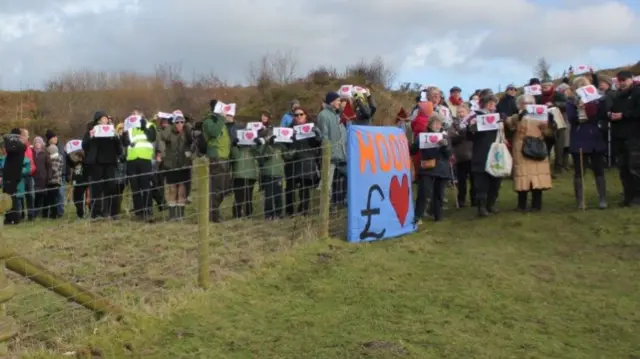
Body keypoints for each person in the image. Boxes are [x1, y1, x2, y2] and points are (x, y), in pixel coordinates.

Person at [565, 76, 609, 209]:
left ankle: (602, 199)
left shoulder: (598, 101)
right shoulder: (571, 102)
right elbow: (573, 119)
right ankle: (580, 201)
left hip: (595, 137)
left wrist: (595, 105)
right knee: (580, 171)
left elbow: (602, 114)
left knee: (599, 170)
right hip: (579, 138)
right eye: (580, 86)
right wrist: (581, 109)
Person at [504, 95, 553, 212]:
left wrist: (550, 123)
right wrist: (519, 117)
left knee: (538, 176)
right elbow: (509, 125)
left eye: (530, 102)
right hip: (521, 148)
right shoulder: (516, 117)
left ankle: (536, 204)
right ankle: (521, 205)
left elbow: (549, 134)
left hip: (537, 146)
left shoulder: (540, 116)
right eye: (524, 103)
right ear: (519, 105)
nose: (527, 105)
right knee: (522, 176)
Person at [411, 113, 452, 224]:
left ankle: (438, 216)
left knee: (439, 193)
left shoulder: (445, 136)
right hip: (427, 167)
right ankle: (417, 216)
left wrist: (445, 146)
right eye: (435, 123)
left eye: (439, 123)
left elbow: (449, 155)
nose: (437, 125)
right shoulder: (422, 136)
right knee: (424, 192)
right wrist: (416, 143)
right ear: (430, 124)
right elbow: (413, 151)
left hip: (441, 168)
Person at [82, 111, 123, 219]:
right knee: (96, 189)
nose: (106, 120)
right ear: (98, 120)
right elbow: (84, 146)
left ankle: (112, 212)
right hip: (96, 164)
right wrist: (90, 136)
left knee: (111, 188)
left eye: (107, 118)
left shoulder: (112, 132)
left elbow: (119, 150)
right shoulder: (91, 131)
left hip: (110, 164)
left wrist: (116, 137)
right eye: (104, 118)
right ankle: (96, 213)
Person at [467, 94, 503, 217]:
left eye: (493, 103)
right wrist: (472, 127)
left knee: (496, 179)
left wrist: (503, 122)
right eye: (489, 102)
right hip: (481, 151)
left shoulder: (498, 116)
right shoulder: (477, 116)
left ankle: (491, 204)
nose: (492, 105)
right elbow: (469, 136)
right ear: (483, 103)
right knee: (481, 180)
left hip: (496, 150)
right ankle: (481, 206)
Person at [608, 70, 640, 206]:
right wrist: (610, 115)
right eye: (619, 80)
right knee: (623, 168)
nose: (621, 83)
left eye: (624, 80)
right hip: (619, 135)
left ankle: (638, 197)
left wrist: (624, 115)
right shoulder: (617, 96)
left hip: (634, 136)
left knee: (635, 167)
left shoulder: (637, 93)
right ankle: (628, 196)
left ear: (631, 79)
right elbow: (610, 110)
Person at [285, 107, 323, 216]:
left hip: (307, 162)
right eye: (296, 115)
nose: (299, 117)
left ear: (305, 115)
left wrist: (316, 135)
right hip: (292, 162)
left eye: (301, 114)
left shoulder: (312, 128)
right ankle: (289, 212)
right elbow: (285, 145)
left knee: (304, 189)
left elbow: (318, 144)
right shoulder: (289, 129)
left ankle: (303, 211)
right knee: (289, 189)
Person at [121, 110, 157, 222]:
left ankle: (148, 210)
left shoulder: (150, 125)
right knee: (135, 187)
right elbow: (125, 143)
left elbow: (152, 137)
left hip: (145, 158)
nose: (134, 116)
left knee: (146, 185)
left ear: (142, 116)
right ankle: (139, 212)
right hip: (132, 159)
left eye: (136, 114)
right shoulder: (129, 128)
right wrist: (123, 135)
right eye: (132, 114)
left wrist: (143, 127)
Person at [157, 112, 192, 220]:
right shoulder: (169, 133)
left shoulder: (187, 132)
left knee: (182, 190)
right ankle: (172, 215)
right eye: (177, 122)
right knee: (172, 190)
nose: (180, 124)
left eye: (182, 122)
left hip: (183, 164)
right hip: (171, 165)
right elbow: (163, 136)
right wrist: (171, 126)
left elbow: (192, 137)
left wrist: (187, 125)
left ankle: (180, 214)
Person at [202, 99, 232, 222]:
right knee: (216, 188)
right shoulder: (209, 121)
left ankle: (214, 211)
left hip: (224, 157)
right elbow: (214, 133)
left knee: (224, 188)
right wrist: (221, 119)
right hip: (216, 157)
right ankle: (212, 214)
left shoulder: (221, 122)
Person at [315, 92, 345, 209]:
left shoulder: (337, 116)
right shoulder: (323, 115)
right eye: (338, 100)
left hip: (342, 155)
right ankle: (325, 209)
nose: (339, 103)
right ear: (331, 101)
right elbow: (325, 137)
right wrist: (329, 153)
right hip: (331, 156)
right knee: (327, 183)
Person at [2, 129, 31, 225]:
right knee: (7, 197)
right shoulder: (16, 145)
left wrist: (6, 139)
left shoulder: (21, 146)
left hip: (13, 175)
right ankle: (9, 217)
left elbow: (9, 149)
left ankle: (14, 218)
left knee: (12, 197)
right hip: (9, 174)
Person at [450, 104, 476, 207]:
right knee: (461, 181)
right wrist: (461, 134)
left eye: (462, 112)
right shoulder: (454, 124)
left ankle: (475, 200)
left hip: (472, 154)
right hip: (460, 156)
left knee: (474, 180)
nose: (460, 114)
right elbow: (451, 137)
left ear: (467, 113)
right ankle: (461, 200)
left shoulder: (472, 122)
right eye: (459, 112)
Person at [46, 129, 65, 217]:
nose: (56, 138)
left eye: (56, 137)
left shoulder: (61, 147)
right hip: (49, 177)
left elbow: (66, 159)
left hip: (61, 175)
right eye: (53, 137)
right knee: (51, 196)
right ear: (49, 139)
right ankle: (52, 212)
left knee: (60, 194)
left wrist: (67, 173)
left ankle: (60, 212)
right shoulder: (46, 149)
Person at [32, 137, 51, 218]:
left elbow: (49, 166)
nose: (37, 144)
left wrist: (49, 176)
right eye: (36, 142)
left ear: (41, 144)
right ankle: (35, 213)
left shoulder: (45, 153)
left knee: (42, 195)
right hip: (33, 177)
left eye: (39, 142)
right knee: (34, 196)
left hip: (43, 177)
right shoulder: (31, 152)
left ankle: (41, 213)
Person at [44, 144, 63, 219]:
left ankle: (54, 214)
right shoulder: (53, 158)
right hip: (51, 181)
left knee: (54, 198)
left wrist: (46, 168)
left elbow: (54, 169)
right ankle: (51, 213)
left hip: (55, 181)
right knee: (51, 198)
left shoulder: (57, 158)